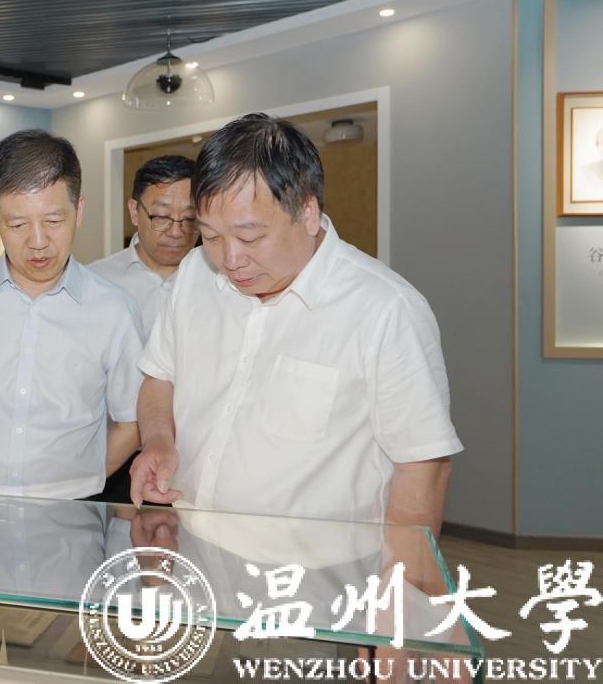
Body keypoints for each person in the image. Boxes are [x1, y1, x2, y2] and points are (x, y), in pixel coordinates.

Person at [130, 114, 462, 533]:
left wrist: (401, 572)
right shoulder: (195, 272)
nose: (230, 259)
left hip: (321, 566)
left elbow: (423, 466)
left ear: (307, 211)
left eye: (250, 237)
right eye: (211, 236)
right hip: (192, 543)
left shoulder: (385, 309)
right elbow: (160, 376)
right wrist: (158, 440)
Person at [0, 130, 144, 499]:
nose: (37, 242)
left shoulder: (114, 310)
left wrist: (79, 481)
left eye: (54, 221)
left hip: (71, 508)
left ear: (79, 210)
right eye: (17, 224)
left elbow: (131, 422)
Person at [89, 154, 196, 502]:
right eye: (161, 217)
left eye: (190, 218)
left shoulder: (222, 283)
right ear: (135, 211)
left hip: (188, 457)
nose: (177, 231)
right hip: (112, 455)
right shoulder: (95, 283)